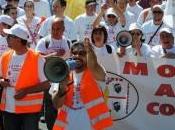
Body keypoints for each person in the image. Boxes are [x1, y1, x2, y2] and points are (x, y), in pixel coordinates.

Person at [51, 40, 113, 130]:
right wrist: (62, 88)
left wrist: (90, 51)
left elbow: (94, 65)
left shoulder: (95, 72)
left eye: (82, 53)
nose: (77, 56)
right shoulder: (63, 75)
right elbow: (57, 104)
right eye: (74, 53)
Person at [0, 24, 50, 130]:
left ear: (18, 40)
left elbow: (46, 84)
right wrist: (2, 81)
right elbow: (1, 77)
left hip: (29, 112)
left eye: (10, 36)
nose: (7, 38)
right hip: (9, 109)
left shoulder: (37, 58)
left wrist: (26, 91)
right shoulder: (5, 57)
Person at [35, 17, 71, 130]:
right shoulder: (44, 42)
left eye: (58, 29)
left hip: (64, 79)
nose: (55, 31)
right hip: (48, 79)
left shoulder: (68, 42)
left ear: (64, 29)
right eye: (53, 29)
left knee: (63, 106)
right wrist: (54, 54)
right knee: (50, 107)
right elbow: (37, 59)